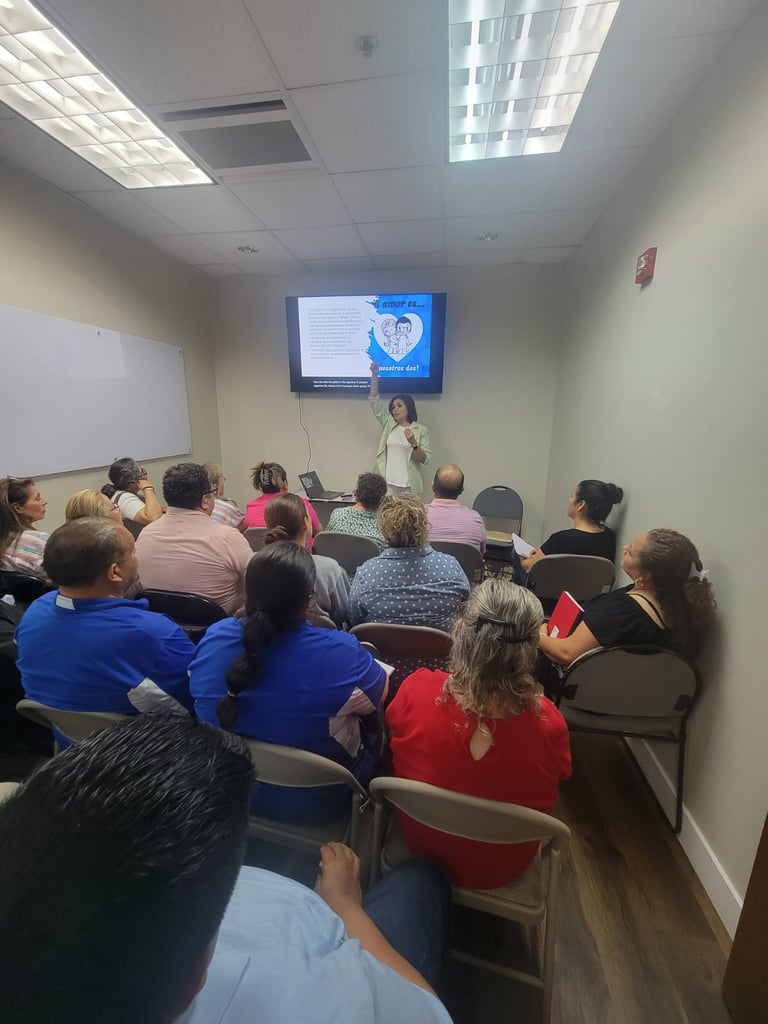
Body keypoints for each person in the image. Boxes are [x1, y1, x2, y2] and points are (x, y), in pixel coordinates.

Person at [0, 715, 452, 1024]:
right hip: (335, 917)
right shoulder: (325, 996)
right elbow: (428, 1012)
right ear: (191, 982)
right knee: (420, 879)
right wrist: (346, 907)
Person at [386, 579, 571, 889]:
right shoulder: (550, 723)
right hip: (502, 866)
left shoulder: (416, 688)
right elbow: (560, 773)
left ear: (461, 631)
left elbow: (392, 731)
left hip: (422, 849)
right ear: (530, 651)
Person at [189, 542, 386, 821]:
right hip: (321, 801)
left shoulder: (214, 637)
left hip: (228, 787)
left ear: (247, 593)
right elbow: (378, 698)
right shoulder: (342, 651)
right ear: (308, 600)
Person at [16, 518, 195, 724]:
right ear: (114, 572)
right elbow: (196, 702)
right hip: (139, 749)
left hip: (69, 741)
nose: (137, 557)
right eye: (134, 551)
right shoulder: (154, 633)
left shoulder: (35, 611)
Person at [538, 528, 717, 667]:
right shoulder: (683, 609)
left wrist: (538, 634)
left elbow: (566, 653)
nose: (624, 549)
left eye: (630, 552)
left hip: (587, 688)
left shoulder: (621, 611)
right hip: (634, 698)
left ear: (646, 575)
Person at [135, 462, 253, 615]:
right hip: (218, 630)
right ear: (205, 500)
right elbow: (258, 580)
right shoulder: (228, 538)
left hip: (162, 626)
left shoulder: (145, 534)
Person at [348, 495, 470, 630]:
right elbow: (467, 613)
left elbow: (355, 620)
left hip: (381, 650)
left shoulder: (366, 573)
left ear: (384, 530)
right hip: (440, 650)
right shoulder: (452, 567)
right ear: (423, 525)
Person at [263, 492, 350, 627]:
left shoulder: (254, 564)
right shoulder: (330, 569)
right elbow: (343, 613)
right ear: (305, 523)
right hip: (322, 642)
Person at [521, 479, 624, 570]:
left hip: (554, 591)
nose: (569, 500)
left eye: (572, 496)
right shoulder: (609, 537)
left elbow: (530, 565)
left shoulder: (561, 539)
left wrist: (521, 555)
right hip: (594, 592)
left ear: (581, 505)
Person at [369, 362, 431, 495]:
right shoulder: (389, 423)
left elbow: (425, 459)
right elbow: (374, 401)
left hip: (409, 486)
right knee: (386, 515)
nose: (395, 409)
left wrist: (414, 443)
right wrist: (374, 376)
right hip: (387, 484)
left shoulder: (421, 430)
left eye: (399, 405)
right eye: (393, 407)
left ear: (408, 407)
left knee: (407, 516)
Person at [243, 461, 322, 551]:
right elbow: (318, 532)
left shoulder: (251, 507)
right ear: (284, 484)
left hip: (266, 556)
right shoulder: (299, 503)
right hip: (303, 556)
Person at [425, 465, 487, 553]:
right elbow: (481, 551)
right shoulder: (475, 518)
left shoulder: (417, 516)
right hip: (465, 567)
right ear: (461, 490)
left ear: (433, 487)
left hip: (426, 566)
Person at [0, 477, 48, 578]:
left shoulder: (4, 541)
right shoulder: (38, 541)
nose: (44, 502)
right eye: (37, 498)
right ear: (18, 508)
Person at [327, 471, 387, 548]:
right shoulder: (384, 527)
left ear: (357, 492)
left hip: (337, 559)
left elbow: (326, 541)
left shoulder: (337, 514)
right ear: (381, 499)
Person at [102, 456, 162, 524]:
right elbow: (153, 519)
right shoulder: (125, 498)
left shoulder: (127, 493)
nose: (145, 475)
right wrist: (148, 488)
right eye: (142, 472)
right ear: (131, 482)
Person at [204, 460, 246, 530]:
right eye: (222, 479)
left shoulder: (196, 507)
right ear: (215, 485)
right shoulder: (226, 508)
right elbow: (244, 528)